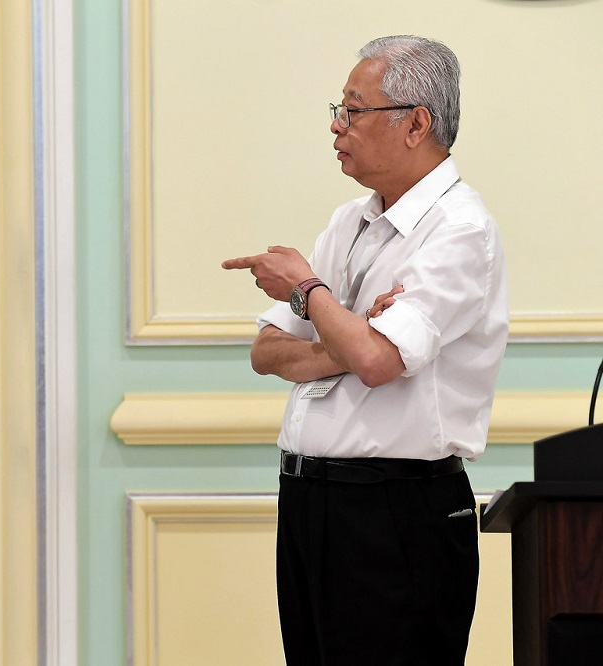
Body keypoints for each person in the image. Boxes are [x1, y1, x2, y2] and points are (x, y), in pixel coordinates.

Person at [222, 35, 508, 665]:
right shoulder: (348, 220)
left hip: (397, 510)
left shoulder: (461, 230)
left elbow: (380, 364)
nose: (336, 126)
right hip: (309, 501)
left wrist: (307, 290)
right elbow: (267, 351)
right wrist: (349, 332)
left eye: (353, 110)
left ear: (416, 124)